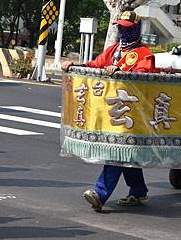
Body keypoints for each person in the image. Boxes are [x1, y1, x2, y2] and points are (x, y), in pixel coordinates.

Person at [62, 11, 154, 212]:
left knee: (118, 153)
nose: (122, 31)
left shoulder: (144, 54)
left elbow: (144, 76)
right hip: (112, 111)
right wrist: (74, 65)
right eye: (120, 27)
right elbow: (95, 64)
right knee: (127, 155)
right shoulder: (113, 50)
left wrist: (121, 72)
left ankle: (100, 193)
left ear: (136, 28)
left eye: (126, 28)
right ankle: (138, 190)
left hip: (132, 114)